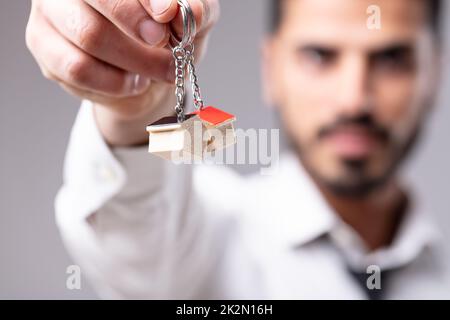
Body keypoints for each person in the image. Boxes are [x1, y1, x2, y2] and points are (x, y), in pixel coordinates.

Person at [26, 0, 450, 299]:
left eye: (392, 59)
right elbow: (136, 229)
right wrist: (133, 109)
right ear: (271, 69)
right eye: (320, 56)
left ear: (436, 73)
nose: (354, 99)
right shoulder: (202, 240)